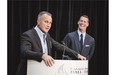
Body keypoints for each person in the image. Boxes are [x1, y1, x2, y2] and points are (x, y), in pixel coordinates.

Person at [16, 11, 86, 75]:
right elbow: (25, 52)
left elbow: (59, 47)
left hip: (43, 71)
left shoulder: (47, 36)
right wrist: (42, 55)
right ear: (38, 21)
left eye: (50, 23)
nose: (49, 25)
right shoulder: (28, 35)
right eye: (46, 21)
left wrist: (77, 54)